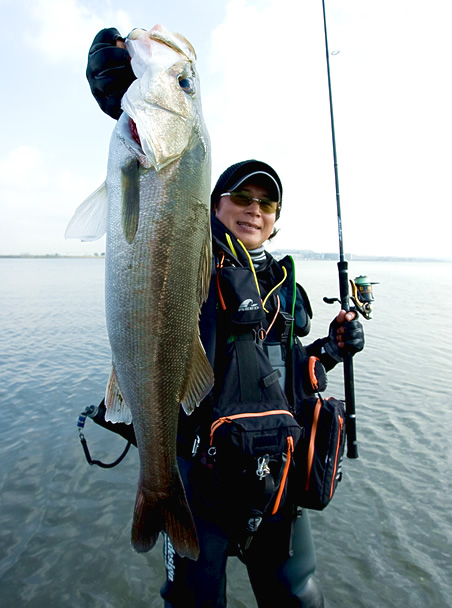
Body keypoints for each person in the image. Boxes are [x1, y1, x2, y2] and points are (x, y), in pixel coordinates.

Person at [85, 28, 365, 608]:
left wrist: (332, 351)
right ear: (213, 205)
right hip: (201, 477)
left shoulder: (284, 286)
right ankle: (159, 493)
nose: (253, 211)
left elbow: (282, 372)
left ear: (277, 219)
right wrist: (123, 102)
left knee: (299, 598)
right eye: (240, 198)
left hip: (277, 477)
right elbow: (158, 212)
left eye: (266, 204)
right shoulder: (200, 253)